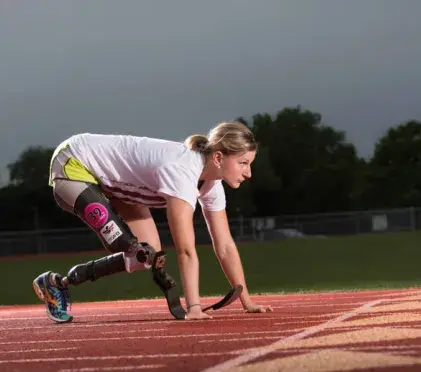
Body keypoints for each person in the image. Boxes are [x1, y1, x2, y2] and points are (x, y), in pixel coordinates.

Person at [32, 121, 273, 323]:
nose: (248, 172)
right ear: (219, 157)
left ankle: (56, 284)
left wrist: (247, 301)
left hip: (116, 185)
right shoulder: (182, 171)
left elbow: (225, 245)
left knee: (145, 257)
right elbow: (186, 250)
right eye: (243, 163)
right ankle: (58, 284)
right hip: (74, 162)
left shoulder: (212, 185)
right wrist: (194, 307)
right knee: (122, 242)